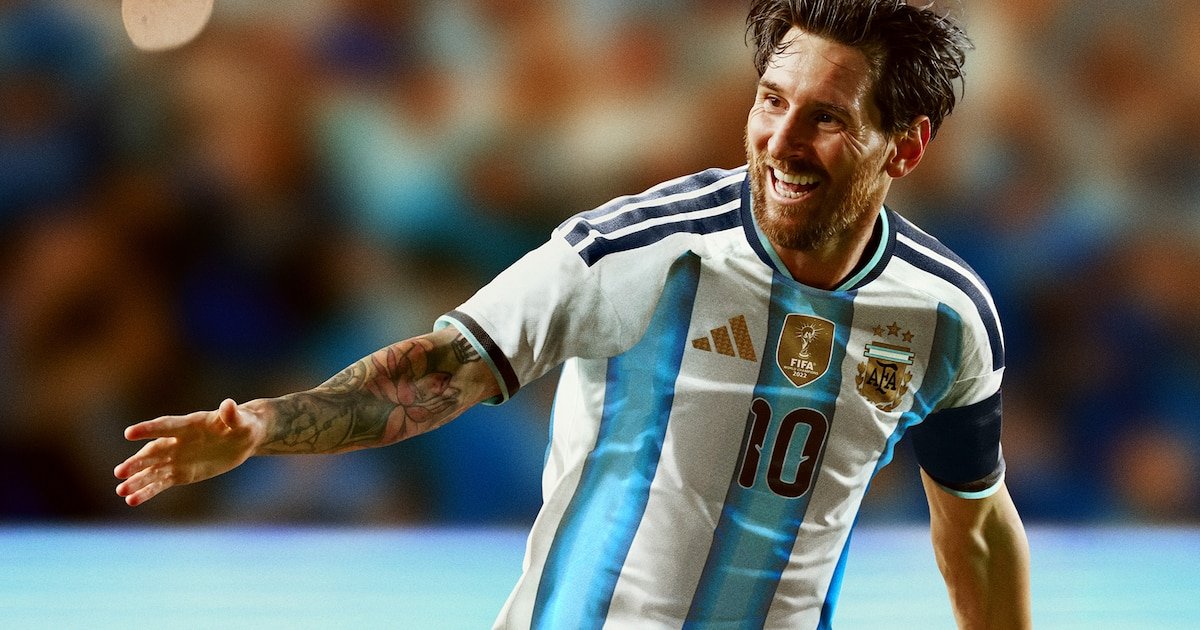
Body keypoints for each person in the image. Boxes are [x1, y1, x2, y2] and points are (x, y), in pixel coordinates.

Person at [114, 0, 1032, 627]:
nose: (780, 141)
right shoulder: (637, 251)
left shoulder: (945, 318)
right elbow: (442, 369)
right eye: (770, 101)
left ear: (904, 146)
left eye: (825, 118)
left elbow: (979, 529)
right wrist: (265, 426)